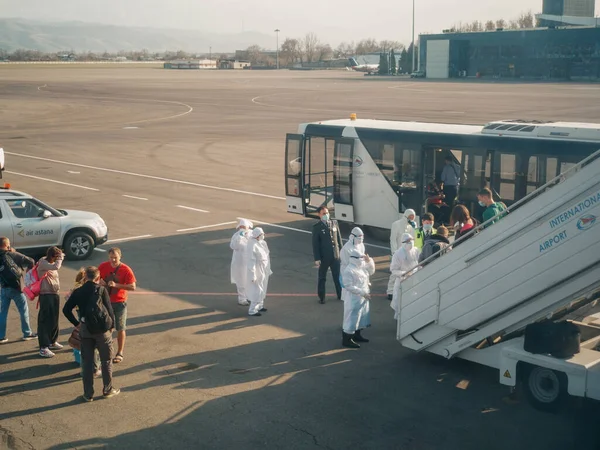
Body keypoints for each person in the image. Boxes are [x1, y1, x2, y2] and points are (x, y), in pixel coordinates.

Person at [63, 266, 120, 402]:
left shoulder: (78, 292)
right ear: (97, 278)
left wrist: (77, 323)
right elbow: (109, 309)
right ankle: (108, 389)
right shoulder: (101, 290)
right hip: (102, 330)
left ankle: (88, 394)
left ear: (85, 277)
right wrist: (112, 326)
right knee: (106, 360)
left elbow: (66, 310)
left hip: (86, 329)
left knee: (87, 362)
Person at [99, 247, 136, 364]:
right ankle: (106, 350)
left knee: (120, 328)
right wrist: (100, 281)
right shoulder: (103, 266)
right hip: (105, 302)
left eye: (115, 258)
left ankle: (120, 352)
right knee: (106, 327)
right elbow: (95, 277)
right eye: (111, 258)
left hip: (119, 302)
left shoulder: (126, 270)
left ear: (120, 257)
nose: (113, 260)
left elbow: (132, 287)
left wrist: (116, 285)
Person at [0, 237, 36, 344]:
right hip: (16, 288)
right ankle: (27, 333)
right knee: (23, 310)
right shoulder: (12, 254)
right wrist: (28, 271)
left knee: (3, 313)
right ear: (7, 245)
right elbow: (31, 261)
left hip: (3, 288)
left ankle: (1, 336)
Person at [67, 268, 101, 378]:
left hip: (82, 319)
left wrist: (76, 323)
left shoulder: (77, 289)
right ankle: (95, 369)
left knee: (83, 345)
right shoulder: (98, 290)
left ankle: (84, 369)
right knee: (94, 346)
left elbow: (66, 308)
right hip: (93, 322)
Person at [341, 248, 375, 349]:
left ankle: (357, 334)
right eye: (361, 258)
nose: (362, 260)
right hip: (353, 299)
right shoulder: (349, 270)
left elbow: (371, 271)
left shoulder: (361, 267)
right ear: (354, 258)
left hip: (363, 297)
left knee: (361, 317)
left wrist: (369, 261)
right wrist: (362, 292)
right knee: (351, 318)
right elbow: (348, 286)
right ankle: (347, 339)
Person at [312, 206, 343, 304]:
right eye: (324, 213)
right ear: (319, 215)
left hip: (335, 255)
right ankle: (322, 297)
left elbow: (339, 239)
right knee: (322, 277)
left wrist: (342, 252)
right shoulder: (317, 227)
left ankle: (340, 294)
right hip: (324, 257)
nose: (326, 215)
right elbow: (315, 244)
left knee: (337, 277)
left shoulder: (334, 223)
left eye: (327, 213)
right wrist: (317, 258)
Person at [38, 246, 65, 358]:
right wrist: (60, 258)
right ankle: (43, 347)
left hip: (54, 294)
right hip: (46, 295)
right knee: (45, 320)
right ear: (53, 256)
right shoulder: (43, 263)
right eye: (56, 256)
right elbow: (56, 266)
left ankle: (52, 341)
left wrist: (58, 256)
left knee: (54, 318)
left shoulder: (50, 262)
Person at [387, 209, 417, 300]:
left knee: (408, 272)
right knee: (395, 272)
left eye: (413, 217)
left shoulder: (413, 226)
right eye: (410, 216)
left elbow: (414, 239)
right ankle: (390, 291)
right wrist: (394, 252)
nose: (411, 218)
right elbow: (393, 239)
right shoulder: (396, 224)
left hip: (408, 252)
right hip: (398, 252)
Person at [390, 233, 421, 320]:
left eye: (411, 240)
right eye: (408, 241)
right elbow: (393, 270)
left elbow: (420, 264)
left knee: (412, 303)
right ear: (403, 242)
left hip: (414, 282)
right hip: (402, 282)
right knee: (399, 304)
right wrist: (404, 273)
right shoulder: (398, 254)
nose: (410, 242)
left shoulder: (416, 251)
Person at [246, 227, 272, 317]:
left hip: (264, 268)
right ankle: (252, 309)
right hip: (258, 269)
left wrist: (268, 269)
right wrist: (252, 274)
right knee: (257, 289)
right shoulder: (252, 245)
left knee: (263, 287)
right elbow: (251, 261)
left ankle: (260, 305)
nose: (263, 236)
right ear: (257, 235)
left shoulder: (263, 243)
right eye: (262, 234)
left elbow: (267, 257)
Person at [230, 218, 253, 306]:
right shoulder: (236, 236)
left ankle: (249, 296)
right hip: (239, 262)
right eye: (241, 227)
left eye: (244, 227)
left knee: (250, 280)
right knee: (241, 280)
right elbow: (233, 246)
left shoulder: (252, 234)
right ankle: (242, 298)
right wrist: (240, 237)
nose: (242, 228)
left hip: (250, 262)